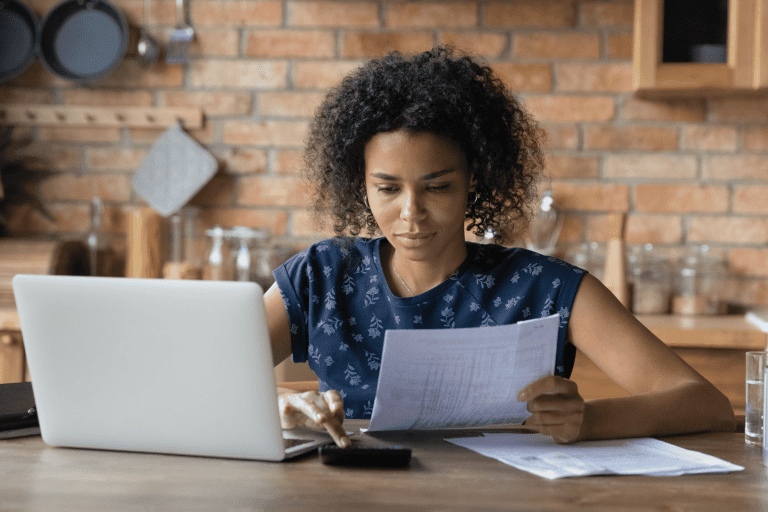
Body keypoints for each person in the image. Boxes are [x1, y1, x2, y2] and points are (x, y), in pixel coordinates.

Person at [264, 46, 736, 448]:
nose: (411, 212)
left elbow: (704, 403)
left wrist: (590, 420)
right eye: (388, 189)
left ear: (475, 180)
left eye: (438, 187)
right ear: (360, 184)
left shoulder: (544, 288)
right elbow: (200, 379)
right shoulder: (320, 276)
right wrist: (278, 403)